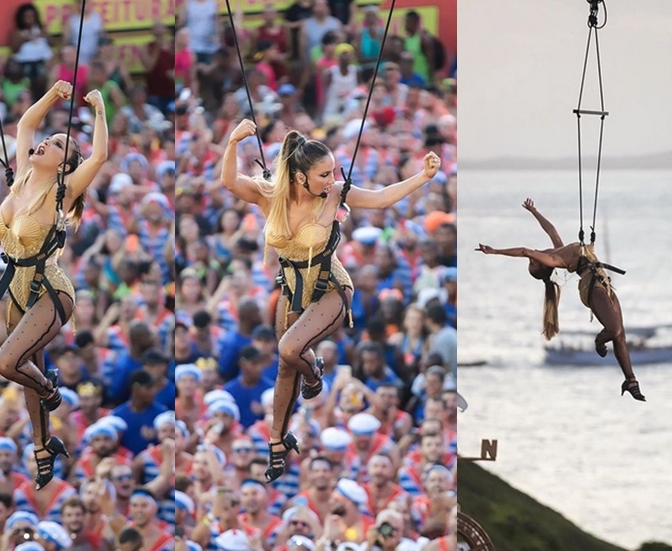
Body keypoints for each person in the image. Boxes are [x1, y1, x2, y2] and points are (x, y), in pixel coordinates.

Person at [221, 117, 442, 483]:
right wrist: (232, 143)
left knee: (289, 350)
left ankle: (316, 374)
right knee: (284, 365)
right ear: (299, 177)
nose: (331, 178)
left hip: (331, 288)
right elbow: (229, 181)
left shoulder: (336, 192)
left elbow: (381, 198)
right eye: (324, 174)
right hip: (292, 286)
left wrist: (422, 177)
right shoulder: (270, 195)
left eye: (332, 172)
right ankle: (277, 441)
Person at [0, 80, 109, 490]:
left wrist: (99, 111)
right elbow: (24, 126)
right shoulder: (21, 177)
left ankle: (52, 392)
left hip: (50, 290)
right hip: (17, 288)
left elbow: (100, 155)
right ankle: (43, 449)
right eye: (49, 139)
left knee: (8, 363)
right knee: (25, 370)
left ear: (64, 165)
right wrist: (53, 96)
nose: (44, 144)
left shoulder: (63, 191)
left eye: (57, 145)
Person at [476, 199, 646, 401]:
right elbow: (524, 250)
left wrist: (534, 211)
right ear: (543, 266)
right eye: (533, 263)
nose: (532, 258)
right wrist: (495, 251)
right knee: (614, 331)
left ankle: (630, 380)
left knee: (620, 335)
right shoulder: (555, 260)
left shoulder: (558, 250)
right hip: (591, 287)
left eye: (531, 262)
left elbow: (552, 230)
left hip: (604, 283)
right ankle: (600, 341)